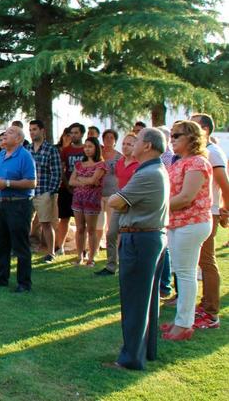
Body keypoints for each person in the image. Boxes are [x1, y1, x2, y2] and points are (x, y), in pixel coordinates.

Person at [107, 128, 168, 370]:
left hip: (141, 240)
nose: (132, 143)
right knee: (145, 299)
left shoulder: (147, 174)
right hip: (148, 238)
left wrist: (118, 200)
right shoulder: (153, 170)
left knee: (135, 300)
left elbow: (115, 201)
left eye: (139, 140)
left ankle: (131, 358)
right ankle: (145, 351)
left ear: (148, 146)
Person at [160, 120, 213, 341]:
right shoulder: (180, 162)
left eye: (176, 135)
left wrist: (158, 208)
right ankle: (182, 321)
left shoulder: (197, 163)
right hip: (179, 224)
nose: (171, 140)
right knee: (183, 273)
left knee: (186, 274)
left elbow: (186, 197)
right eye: (171, 135)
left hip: (191, 224)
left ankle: (183, 325)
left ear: (191, 138)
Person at [0, 125, 37, 293]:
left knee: (20, 245)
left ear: (19, 139)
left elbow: (31, 182)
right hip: (2, 204)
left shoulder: (25, 156)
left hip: (19, 204)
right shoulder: (0, 154)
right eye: (6, 132)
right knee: (1, 243)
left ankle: (24, 283)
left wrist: (7, 183)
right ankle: (1, 278)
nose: (6, 134)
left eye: (11, 133)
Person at [190, 113, 228, 330]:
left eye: (192, 123)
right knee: (199, 262)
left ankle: (211, 313)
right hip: (199, 213)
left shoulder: (213, 152)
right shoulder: (203, 152)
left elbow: (224, 183)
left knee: (206, 262)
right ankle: (203, 305)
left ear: (203, 128)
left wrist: (225, 210)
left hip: (209, 212)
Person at [97, 132, 139, 276]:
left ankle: (128, 266)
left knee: (129, 237)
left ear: (136, 146)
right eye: (124, 144)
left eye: (130, 144)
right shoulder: (120, 162)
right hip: (119, 201)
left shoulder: (139, 164)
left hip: (134, 204)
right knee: (111, 233)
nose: (126, 147)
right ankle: (110, 266)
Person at [69, 137, 107, 266]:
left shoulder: (101, 165)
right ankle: (79, 256)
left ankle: (91, 257)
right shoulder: (79, 164)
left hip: (92, 200)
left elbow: (93, 181)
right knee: (80, 228)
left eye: (90, 146)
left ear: (96, 148)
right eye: (85, 146)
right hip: (78, 199)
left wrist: (80, 179)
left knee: (91, 229)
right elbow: (71, 181)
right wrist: (87, 180)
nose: (87, 149)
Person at [28, 120, 61, 263]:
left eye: (34, 129)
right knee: (25, 222)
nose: (32, 132)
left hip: (44, 191)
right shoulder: (27, 149)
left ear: (42, 131)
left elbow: (56, 172)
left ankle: (51, 252)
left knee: (46, 223)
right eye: (30, 130)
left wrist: (51, 191)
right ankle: (24, 248)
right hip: (28, 192)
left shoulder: (51, 149)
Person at [57, 123, 86, 255]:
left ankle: (83, 248)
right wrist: (68, 185)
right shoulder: (66, 150)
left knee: (82, 221)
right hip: (66, 189)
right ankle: (60, 247)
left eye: (76, 133)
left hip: (84, 189)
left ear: (82, 134)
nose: (73, 135)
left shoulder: (87, 149)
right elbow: (62, 169)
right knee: (64, 218)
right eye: (71, 133)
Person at [99, 129, 122, 245]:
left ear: (115, 141)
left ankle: (114, 247)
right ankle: (95, 249)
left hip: (113, 193)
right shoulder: (98, 154)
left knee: (112, 224)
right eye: (106, 137)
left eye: (111, 137)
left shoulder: (119, 157)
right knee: (98, 225)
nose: (108, 140)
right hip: (97, 193)